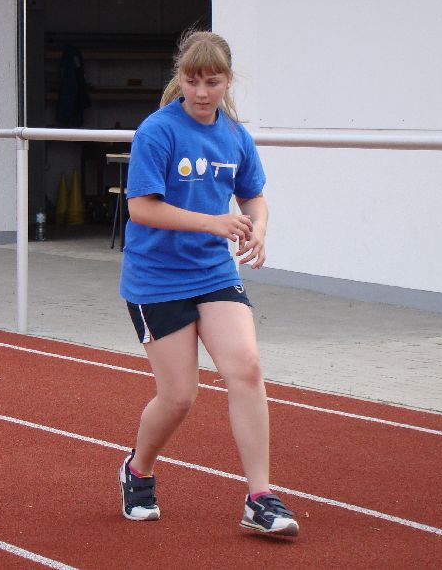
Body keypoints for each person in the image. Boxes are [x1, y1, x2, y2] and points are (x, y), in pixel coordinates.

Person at [117, 30, 299, 537]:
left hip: (214, 273)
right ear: (180, 78)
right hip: (157, 279)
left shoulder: (235, 136)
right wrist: (213, 223)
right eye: (192, 81)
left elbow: (253, 196)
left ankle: (260, 496)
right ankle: (138, 470)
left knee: (247, 368)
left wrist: (258, 228)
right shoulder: (158, 131)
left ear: (228, 82)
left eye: (212, 82)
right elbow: (141, 208)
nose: (200, 92)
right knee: (179, 396)